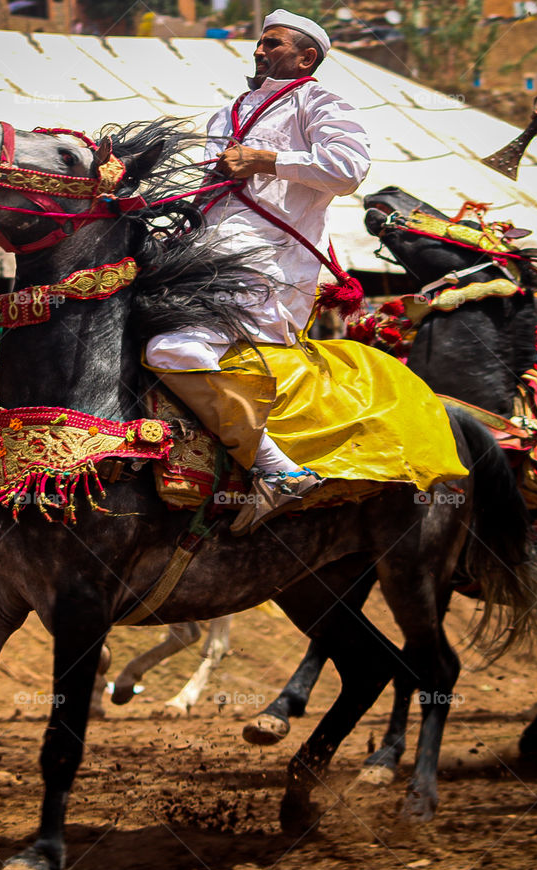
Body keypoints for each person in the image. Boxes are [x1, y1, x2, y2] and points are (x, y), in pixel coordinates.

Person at [144, 9, 371, 532]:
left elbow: (349, 169)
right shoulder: (225, 113)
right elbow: (209, 189)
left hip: (268, 264)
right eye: (260, 42)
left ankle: (280, 471)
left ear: (306, 57)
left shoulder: (321, 102)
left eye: (273, 43)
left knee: (172, 350)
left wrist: (264, 160)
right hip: (204, 254)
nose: (258, 50)